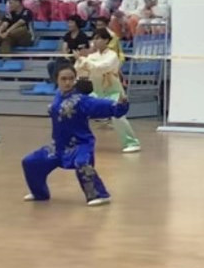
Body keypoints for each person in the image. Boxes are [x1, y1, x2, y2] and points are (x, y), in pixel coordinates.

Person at [21, 65, 129, 206]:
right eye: (63, 79)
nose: (67, 82)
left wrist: (119, 105)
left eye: (71, 79)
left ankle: (100, 194)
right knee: (30, 162)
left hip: (81, 144)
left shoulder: (81, 100)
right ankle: (39, 193)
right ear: (56, 80)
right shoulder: (58, 95)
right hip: (58, 147)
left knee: (82, 163)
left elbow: (99, 104)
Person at [75, 28, 141, 153]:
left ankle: (132, 142)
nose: (95, 41)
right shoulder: (91, 56)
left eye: (98, 38)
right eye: (94, 38)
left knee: (118, 116)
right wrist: (81, 60)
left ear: (106, 40)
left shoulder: (112, 55)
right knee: (77, 111)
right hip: (96, 93)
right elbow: (80, 70)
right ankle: (78, 141)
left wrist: (83, 61)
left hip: (113, 92)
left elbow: (102, 67)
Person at [49, 15, 91, 83]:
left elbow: (82, 51)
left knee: (61, 64)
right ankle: (56, 81)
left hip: (77, 59)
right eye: (68, 23)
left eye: (71, 23)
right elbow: (64, 48)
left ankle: (59, 82)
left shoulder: (82, 36)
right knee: (51, 65)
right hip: (68, 58)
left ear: (77, 24)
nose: (69, 25)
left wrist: (73, 55)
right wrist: (67, 56)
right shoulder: (67, 35)